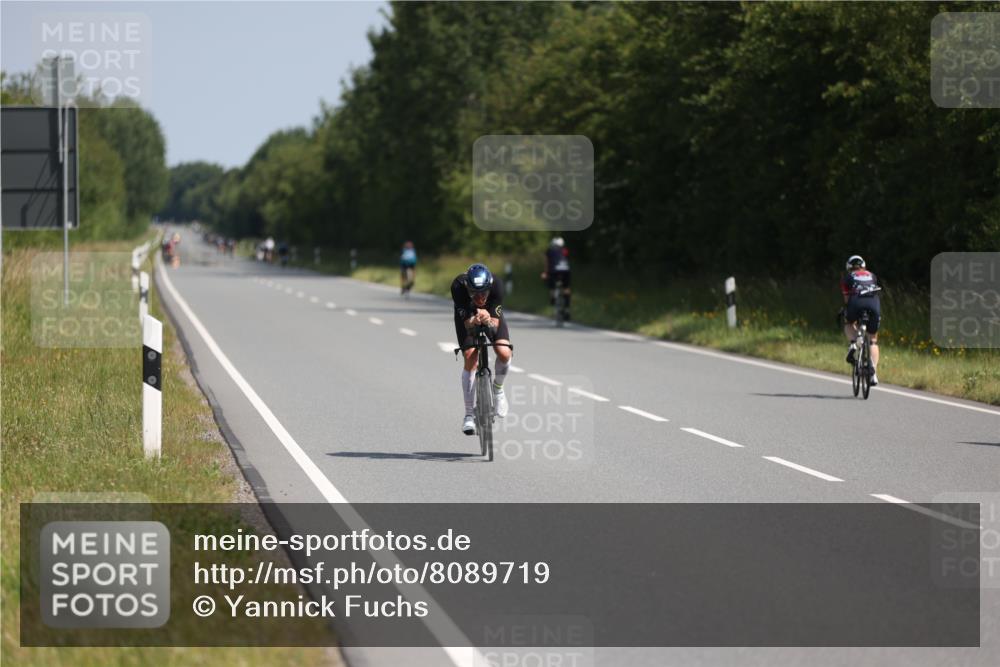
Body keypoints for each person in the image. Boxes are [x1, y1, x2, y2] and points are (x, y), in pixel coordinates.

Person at [451, 263, 512, 435]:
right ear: (467, 288)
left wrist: (487, 319)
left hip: (490, 315)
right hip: (468, 316)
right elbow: (466, 323)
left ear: (489, 287)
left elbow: (495, 324)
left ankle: (498, 389)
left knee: (504, 351)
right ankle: (469, 415)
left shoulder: (497, 286)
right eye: (474, 294)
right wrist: (473, 320)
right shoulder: (458, 286)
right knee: (470, 355)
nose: (479, 298)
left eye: (483, 293)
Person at [841, 254, 882, 386]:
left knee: (849, 323)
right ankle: (873, 373)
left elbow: (847, 299)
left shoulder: (847, 278)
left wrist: (846, 312)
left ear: (849, 268)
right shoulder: (872, 275)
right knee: (873, 340)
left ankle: (854, 342)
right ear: (864, 266)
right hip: (873, 304)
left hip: (856, 302)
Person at [541, 237, 572, 320]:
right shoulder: (565, 250)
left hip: (554, 271)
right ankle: (567, 309)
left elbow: (547, 263)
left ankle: (553, 298)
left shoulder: (549, 251)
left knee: (552, 286)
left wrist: (545, 273)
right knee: (566, 289)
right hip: (566, 270)